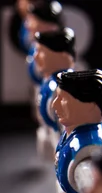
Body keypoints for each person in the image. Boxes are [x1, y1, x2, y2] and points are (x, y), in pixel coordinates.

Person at [33, 27, 75, 162]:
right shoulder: (49, 82)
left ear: (63, 56)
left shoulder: (65, 89)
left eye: (42, 52)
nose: (35, 56)